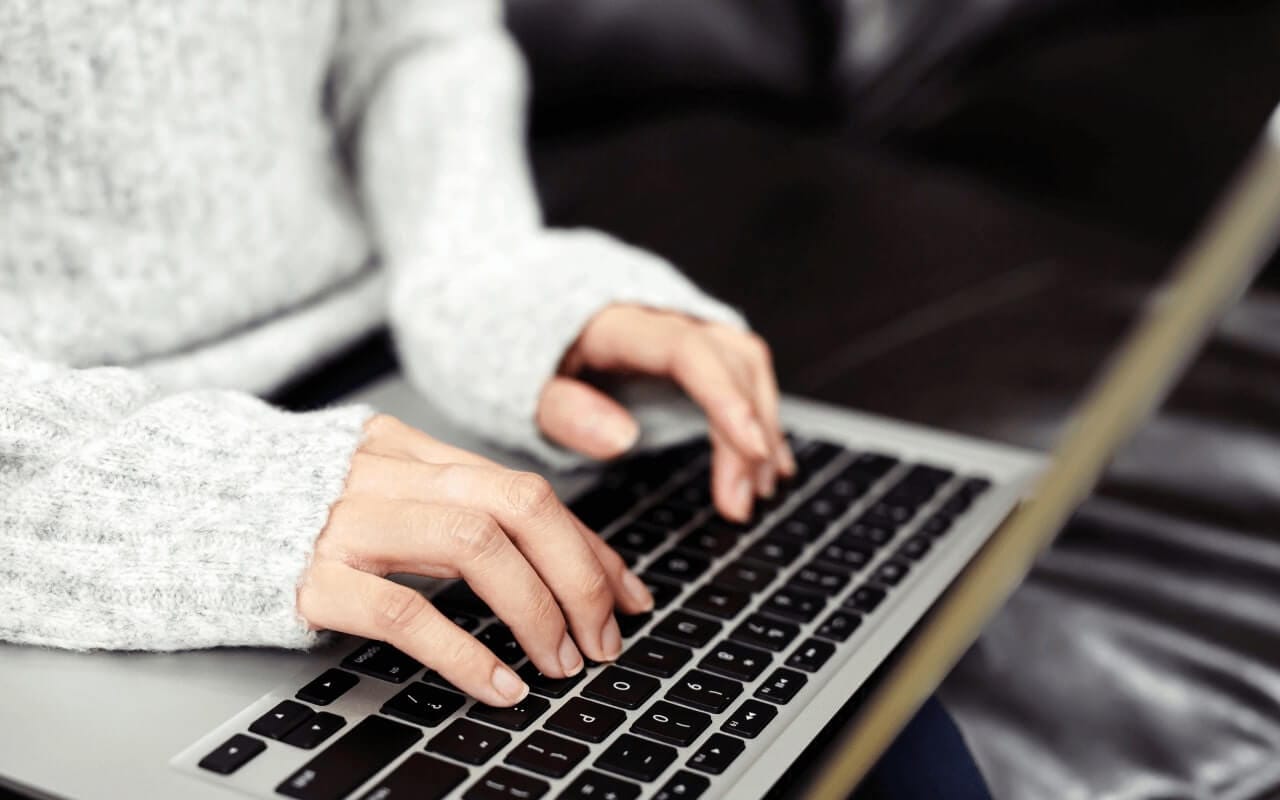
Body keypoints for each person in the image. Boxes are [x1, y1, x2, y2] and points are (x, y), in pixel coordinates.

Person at [0, 0, 791, 707]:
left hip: (371, 356)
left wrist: (479, 269)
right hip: (80, 474)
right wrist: (178, 497)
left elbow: (414, 39)